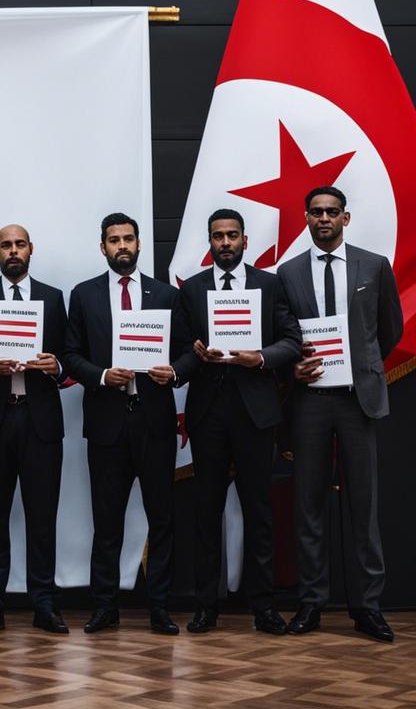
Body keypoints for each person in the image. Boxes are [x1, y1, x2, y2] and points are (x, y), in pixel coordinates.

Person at [276, 186, 403, 642]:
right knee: (308, 505)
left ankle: (367, 607)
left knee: (362, 507)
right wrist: (293, 367)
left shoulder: (374, 265)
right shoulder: (288, 272)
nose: (324, 218)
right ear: (306, 218)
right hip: (309, 400)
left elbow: (389, 329)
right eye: (316, 212)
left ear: (345, 218)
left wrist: (361, 365)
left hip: (356, 399)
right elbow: (283, 334)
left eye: (332, 211)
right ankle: (311, 603)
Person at [172, 209, 300, 635]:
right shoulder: (192, 289)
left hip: (255, 412)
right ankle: (205, 606)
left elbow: (291, 341)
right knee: (206, 511)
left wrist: (259, 357)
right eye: (218, 236)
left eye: (232, 235)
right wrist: (195, 354)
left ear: (245, 240)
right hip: (208, 411)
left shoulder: (269, 284)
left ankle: (263, 607)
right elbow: (181, 348)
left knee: (259, 511)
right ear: (209, 242)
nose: (225, 242)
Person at [62, 212, 182, 635]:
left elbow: (187, 352)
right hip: (107, 422)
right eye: (114, 240)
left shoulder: (166, 295)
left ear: (139, 243)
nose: (122, 246)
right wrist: (100, 375)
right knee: (106, 520)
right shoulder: (84, 295)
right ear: (103, 247)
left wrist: (175, 371)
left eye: (128, 238)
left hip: (155, 422)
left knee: (162, 518)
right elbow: (70, 354)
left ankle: (160, 608)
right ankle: (104, 607)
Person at [0, 224, 70, 635]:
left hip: (40, 423)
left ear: (31, 249)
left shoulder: (52, 299)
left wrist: (56, 366)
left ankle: (44, 605)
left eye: (20, 244)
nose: (13, 251)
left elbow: (69, 356)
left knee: (43, 519)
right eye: (6, 245)